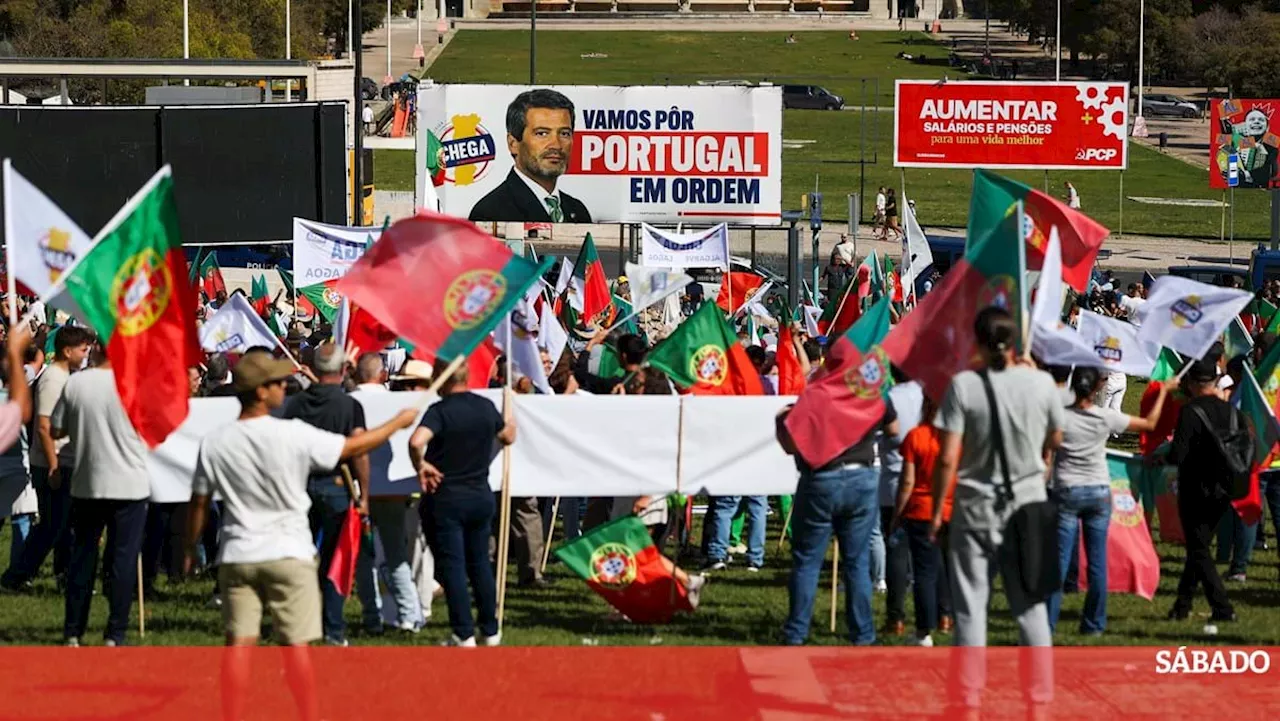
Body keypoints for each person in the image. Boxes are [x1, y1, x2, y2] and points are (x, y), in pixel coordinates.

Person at [183, 352, 417, 721]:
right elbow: (352, 448)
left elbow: (197, 503)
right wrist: (398, 422)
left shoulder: (215, 441)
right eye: (276, 382)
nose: (284, 387)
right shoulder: (291, 434)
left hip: (237, 554)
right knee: (296, 650)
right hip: (289, 555)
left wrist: (188, 550)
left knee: (239, 648)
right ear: (260, 392)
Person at [932, 307, 1062, 709]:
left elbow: (948, 457)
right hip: (1026, 505)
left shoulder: (964, 386)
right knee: (1031, 610)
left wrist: (938, 511)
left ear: (978, 342)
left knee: (971, 609)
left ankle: (969, 703)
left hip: (975, 506)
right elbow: (1055, 438)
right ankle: (1038, 705)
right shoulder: (1042, 383)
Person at [776, 376, 899, 646]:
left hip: (821, 478)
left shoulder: (814, 394)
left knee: (807, 561)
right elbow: (894, 427)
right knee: (856, 562)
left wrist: (781, 418)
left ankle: (796, 633)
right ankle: (863, 634)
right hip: (861, 476)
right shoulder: (867, 391)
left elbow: (789, 445)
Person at [1047, 367, 1167, 636]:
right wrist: (1164, 393)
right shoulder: (1105, 416)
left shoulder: (1060, 417)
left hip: (1067, 490)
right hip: (1098, 492)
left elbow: (1051, 445)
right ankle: (1093, 624)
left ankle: (1047, 623)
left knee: (1059, 560)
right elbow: (1149, 424)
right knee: (1098, 561)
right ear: (1096, 389)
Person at [409, 359, 516, 647]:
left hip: (447, 497)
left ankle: (463, 631)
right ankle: (490, 630)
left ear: (441, 378)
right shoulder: (484, 407)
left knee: (454, 566)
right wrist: (512, 412)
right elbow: (508, 436)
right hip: (480, 494)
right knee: (480, 562)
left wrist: (420, 466)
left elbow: (416, 441)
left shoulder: (439, 411)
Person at [52, 344, 151, 646]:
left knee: (84, 556)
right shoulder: (138, 384)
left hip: (88, 482)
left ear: (96, 352)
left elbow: (57, 429)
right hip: (130, 484)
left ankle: (73, 631)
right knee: (122, 560)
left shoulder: (77, 383)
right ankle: (115, 632)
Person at [281, 344, 368, 646]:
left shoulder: (295, 404)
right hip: (336, 485)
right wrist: (364, 493)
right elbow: (359, 453)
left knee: (300, 558)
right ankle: (333, 629)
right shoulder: (349, 406)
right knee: (335, 559)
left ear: (314, 368)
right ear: (343, 369)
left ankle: (298, 625)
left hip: (299, 485)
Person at [1, 325, 91, 592]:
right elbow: (43, 425)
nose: (86, 355)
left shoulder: (65, 376)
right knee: (51, 527)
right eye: (83, 350)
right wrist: (53, 465)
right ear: (67, 351)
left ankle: (64, 574)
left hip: (62, 461)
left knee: (63, 526)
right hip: (52, 463)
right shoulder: (54, 379)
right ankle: (17, 574)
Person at [350, 353, 426, 633]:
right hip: (393, 489)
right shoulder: (398, 402)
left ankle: (373, 616)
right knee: (396, 555)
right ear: (382, 375)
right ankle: (408, 615)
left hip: (358, 491)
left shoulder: (350, 401)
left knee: (363, 558)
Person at [1166, 359, 1244, 622]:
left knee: (1198, 550)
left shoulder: (1191, 412)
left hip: (1196, 489)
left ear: (1192, 383)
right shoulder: (1232, 411)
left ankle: (1222, 607)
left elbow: (1178, 453)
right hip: (1226, 489)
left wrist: (1162, 456)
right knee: (1197, 548)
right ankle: (1182, 605)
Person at [468, 89, 592, 223]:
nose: (556, 145)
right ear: (513, 144)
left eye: (564, 134)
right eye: (542, 133)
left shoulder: (578, 211)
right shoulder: (490, 213)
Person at [892, 394, 954, 647]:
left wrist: (897, 514)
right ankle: (947, 616)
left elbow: (907, 481)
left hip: (921, 510)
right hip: (952, 509)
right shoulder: (958, 440)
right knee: (948, 568)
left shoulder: (916, 436)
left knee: (924, 572)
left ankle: (923, 630)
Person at [875, 367, 922, 637]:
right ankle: (939, 615)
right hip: (922, 479)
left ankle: (897, 616)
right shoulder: (926, 395)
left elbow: (886, 432)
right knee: (925, 548)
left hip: (894, 479)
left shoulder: (888, 398)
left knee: (896, 546)